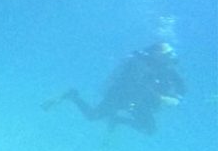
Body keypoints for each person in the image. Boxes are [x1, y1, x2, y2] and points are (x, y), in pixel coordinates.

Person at [43, 43, 186, 135]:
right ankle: (72, 95)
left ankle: (117, 120)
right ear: (156, 54)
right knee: (92, 116)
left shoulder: (167, 68)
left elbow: (182, 86)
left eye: (171, 53)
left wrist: (177, 98)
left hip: (140, 102)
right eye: (167, 54)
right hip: (120, 95)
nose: (171, 57)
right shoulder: (138, 63)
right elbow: (134, 83)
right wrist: (160, 98)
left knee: (149, 130)